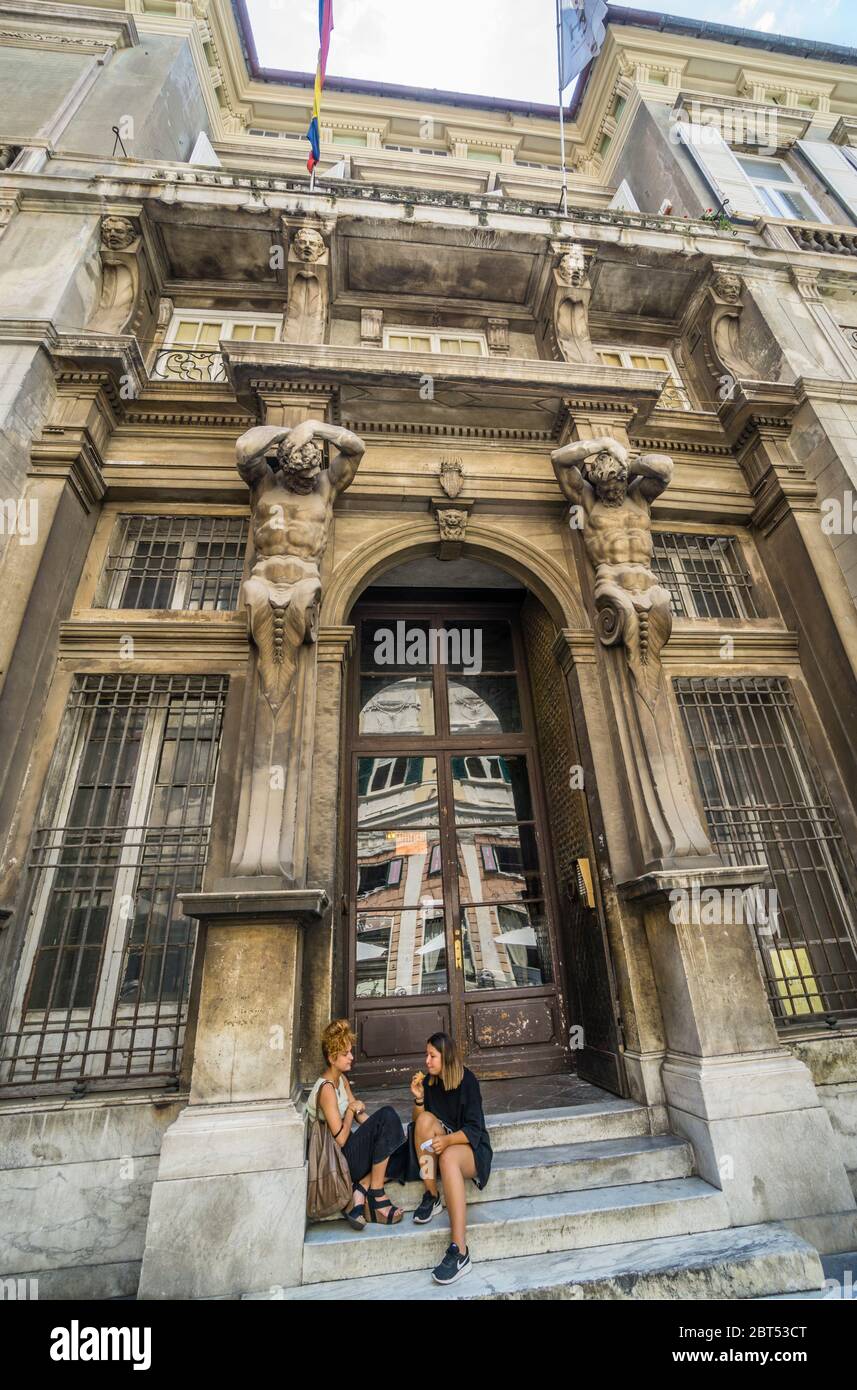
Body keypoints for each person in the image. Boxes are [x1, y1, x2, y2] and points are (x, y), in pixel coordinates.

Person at [409, 1032, 492, 1286]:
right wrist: (419, 1098)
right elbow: (419, 1125)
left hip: (471, 1147)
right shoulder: (430, 1082)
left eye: (432, 1056)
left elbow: (474, 1130)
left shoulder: (468, 1081)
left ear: (445, 1057)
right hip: (443, 1140)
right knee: (424, 1120)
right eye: (426, 1055)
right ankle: (431, 1195)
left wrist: (446, 1142)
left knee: (447, 1158)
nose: (427, 1061)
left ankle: (460, 1251)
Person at [306, 1019, 405, 1229]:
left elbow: (361, 1117)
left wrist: (386, 1134)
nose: (351, 1057)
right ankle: (376, 1193)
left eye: (350, 1051)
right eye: (346, 1054)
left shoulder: (341, 1080)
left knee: (400, 1147)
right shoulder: (326, 1089)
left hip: (351, 1152)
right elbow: (341, 1139)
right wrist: (351, 1111)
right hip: (340, 1161)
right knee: (387, 1115)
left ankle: (360, 1189)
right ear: (332, 1058)